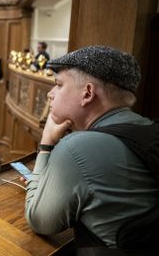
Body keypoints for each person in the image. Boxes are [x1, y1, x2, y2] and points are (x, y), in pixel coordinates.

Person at [24, 46, 159, 251]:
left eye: (59, 85)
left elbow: (40, 220)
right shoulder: (151, 128)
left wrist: (46, 144)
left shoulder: (76, 147)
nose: (51, 94)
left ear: (87, 93)